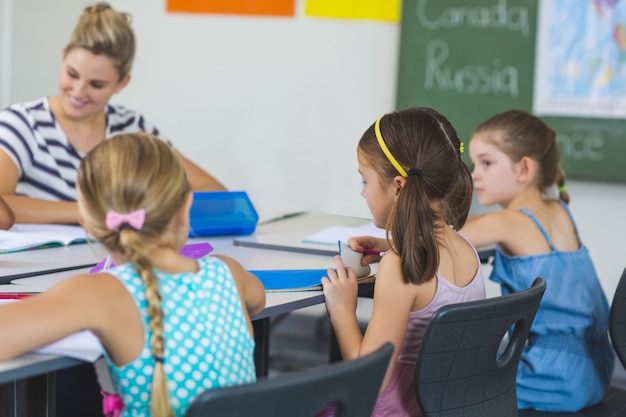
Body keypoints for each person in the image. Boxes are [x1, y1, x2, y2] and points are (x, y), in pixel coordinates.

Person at [0, 133, 266, 417]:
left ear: (86, 221)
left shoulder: (97, 293)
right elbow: (258, 300)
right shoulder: (229, 272)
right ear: (186, 205)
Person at [321, 107, 485, 417]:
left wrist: (343, 310)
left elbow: (369, 381)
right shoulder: (465, 248)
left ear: (398, 186)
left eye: (365, 180)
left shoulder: (400, 266)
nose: (362, 192)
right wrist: (390, 245)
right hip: (445, 406)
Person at [0, 2, 226, 225]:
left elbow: (216, 196)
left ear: (122, 83)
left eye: (96, 85)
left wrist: (149, 211)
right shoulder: (21, 124)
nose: (78, 92)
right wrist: (97, 213)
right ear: (63, 56)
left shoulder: (134, 129)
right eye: (72, 74)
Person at [460, 109, 614, 412]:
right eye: (474, 163)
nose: (474, 173)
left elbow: (436, 238)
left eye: (486, 163)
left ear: (524, 169)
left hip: (552, 377)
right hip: (596, 369)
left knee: (446, 386)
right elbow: (470, 225)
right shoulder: (557, 209)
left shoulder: (509, 222)